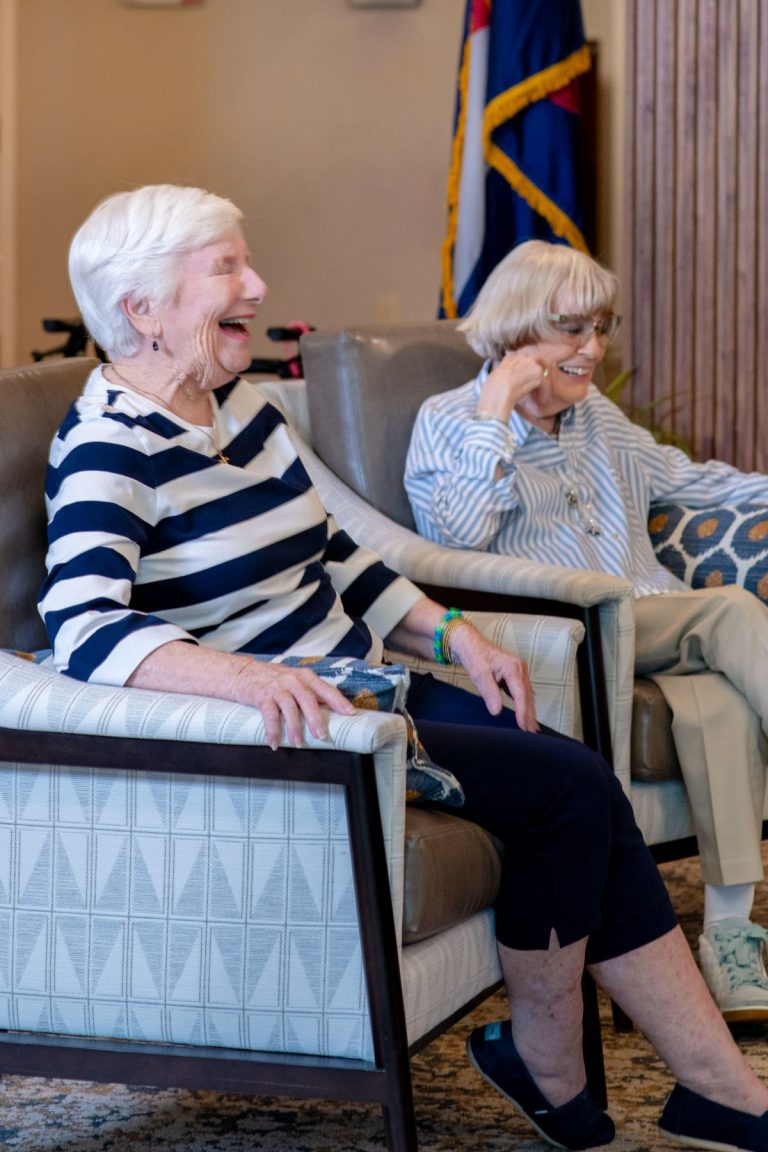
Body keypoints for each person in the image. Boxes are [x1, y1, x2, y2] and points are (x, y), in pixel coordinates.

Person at [38, 185, 768, 1152]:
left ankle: (638, 1080)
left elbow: (338, 556)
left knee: (574, 782)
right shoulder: (108, 447)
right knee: (570, 785)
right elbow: (82, 626)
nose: (257, 283)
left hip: (367, 688)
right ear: (141, 308)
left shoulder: (243, 410)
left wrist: (455, 632)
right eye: (226, 269)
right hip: (301, 730)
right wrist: (245, 679)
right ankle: (653, 1082)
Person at [404, 238, 768, 1026]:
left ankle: (730, 939)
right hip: (566, 634)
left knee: (719, 705)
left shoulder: (596, 419)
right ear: (516, 331)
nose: (592, 348)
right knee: (734, 612)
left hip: (651, 621)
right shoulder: (450, 420)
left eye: (600, 327)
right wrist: (496, 409)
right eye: (572, 328)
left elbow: (685, 477)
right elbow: (453, 536)